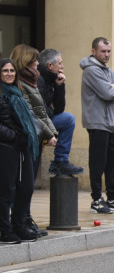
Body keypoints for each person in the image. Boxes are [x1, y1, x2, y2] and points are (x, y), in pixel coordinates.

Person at [80, 37, 114, 214]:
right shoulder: (91, 71)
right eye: (103, 51)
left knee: (113, 161)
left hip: (111, 123)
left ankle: (112, 198)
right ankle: (96, 200)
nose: (107, 54)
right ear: (93, 51)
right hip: (98, 122)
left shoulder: (107, 71)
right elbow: (108, 93)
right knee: (98, 162)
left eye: (109, 51)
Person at [0, 58, 40, 243]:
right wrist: (14, 136)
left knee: (26, 188)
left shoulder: (17, 93)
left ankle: (19, 226)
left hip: (23, 148)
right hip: (6, 147)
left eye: (12, 71)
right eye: (5, 71)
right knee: (5, 191)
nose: (9, 74)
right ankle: (5, 231)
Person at [11, 45, 58, 197]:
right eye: (35, 60)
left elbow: (42, 111)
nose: (38, 63)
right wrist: (49, 134)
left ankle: (25, 211)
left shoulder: (33, 80)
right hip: (26, 138)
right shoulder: (21, 83)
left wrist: (52, 133)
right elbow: (32, 114)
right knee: (23, 184)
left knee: (28, 184)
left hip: (35, 136)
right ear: (27, 61)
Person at [37, 49, 83, 176]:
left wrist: (59, 86)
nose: (62, 66)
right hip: (37, 122)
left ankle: (61, 161)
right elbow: (40, 110)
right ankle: (60, 161)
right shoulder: (39, 79)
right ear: (50, 66)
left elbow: (59, 109)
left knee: (68, 119)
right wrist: (50, 109)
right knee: (68, 119)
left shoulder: (52, 78)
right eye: (60, 63)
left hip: (46, 119)